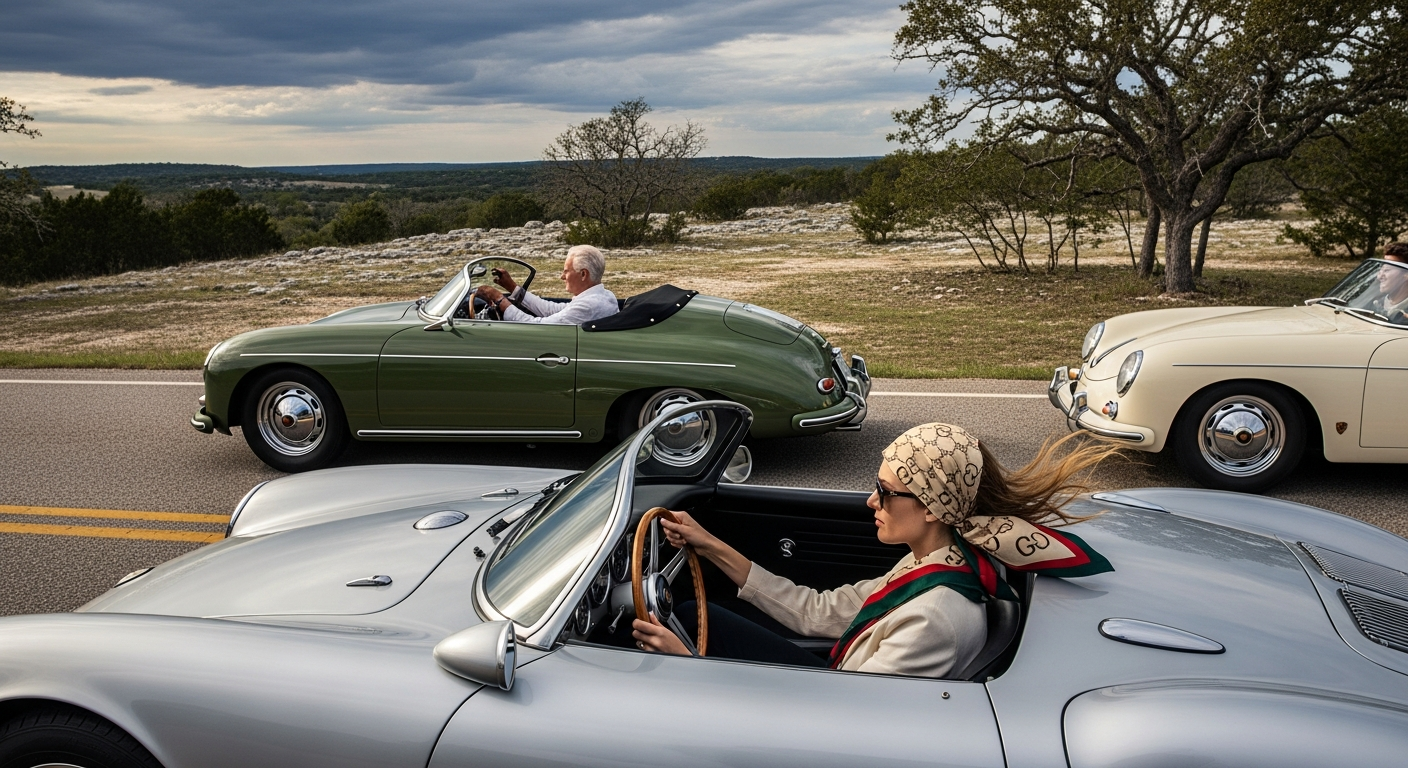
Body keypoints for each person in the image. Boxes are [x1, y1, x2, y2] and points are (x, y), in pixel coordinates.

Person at [632, 424, 1119, 678]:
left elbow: (847, 715)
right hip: (842, 679)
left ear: (931, 507)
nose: (871, 501)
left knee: (687, 630)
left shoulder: (938, 619)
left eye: (885, 491)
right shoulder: (935, 559)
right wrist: (710, 544)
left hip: (835, 700)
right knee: (700, 612)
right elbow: (816, 611)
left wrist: (689, 668)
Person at [474, 245, 618, 325]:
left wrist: (500, 300)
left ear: (583, 274)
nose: (562, 277)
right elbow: (551, 310)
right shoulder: (603, 295)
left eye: (566, 271)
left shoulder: (589, 306)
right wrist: (513, 288)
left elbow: (538, 325)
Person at [1373, 242, 1408, 324]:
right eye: (1381, 270)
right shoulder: (1373, 303)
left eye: (1387, 270)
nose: (1379, 276)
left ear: (1406, 274)